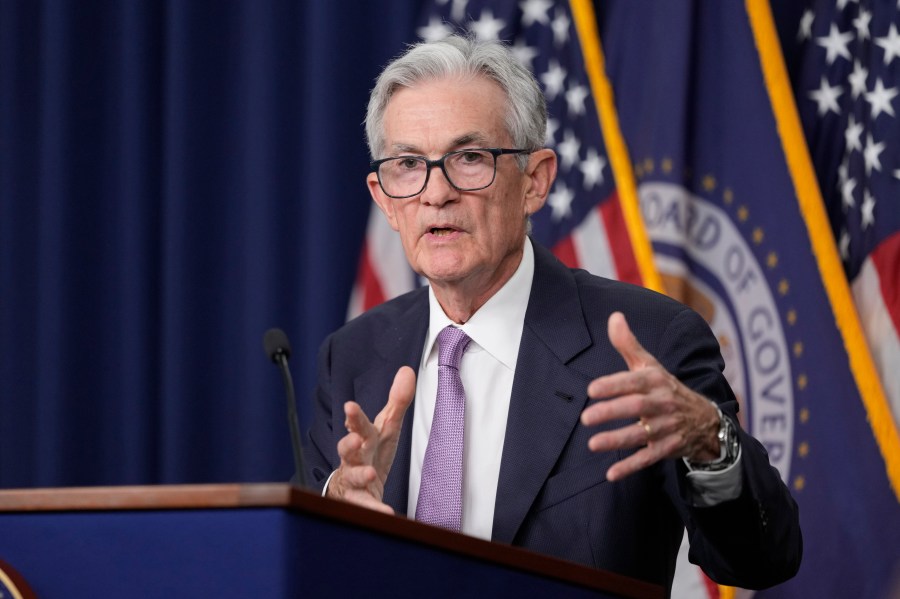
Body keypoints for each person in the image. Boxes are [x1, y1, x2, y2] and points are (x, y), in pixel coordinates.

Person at [306, 34, 801, 594]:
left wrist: (711, 443)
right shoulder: (351, 355)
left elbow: (762, 559)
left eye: (469, 158)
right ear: (383, 197)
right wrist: (334, 511)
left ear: (535, 182)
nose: (434, 192)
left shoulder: (649, 341)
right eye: (408, 165)